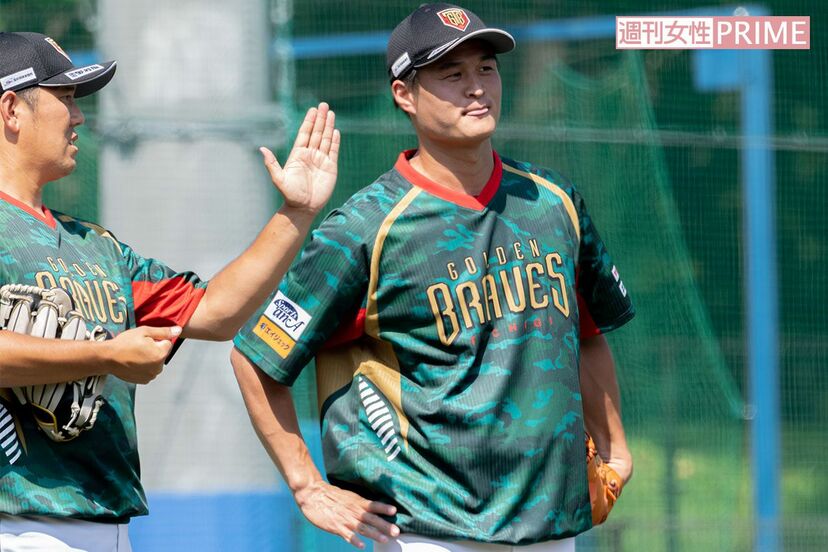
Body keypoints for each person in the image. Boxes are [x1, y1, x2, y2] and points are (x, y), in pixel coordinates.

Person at [231, 3, 634, 551]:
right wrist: (307, 485)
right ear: (405, 94)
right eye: (452, 74)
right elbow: (257, 358)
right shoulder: (366, 228)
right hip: (427, 531)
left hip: (551, 525)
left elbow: (587, 333)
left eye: (486, 68)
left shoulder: (552, 201)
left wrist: (615, 450)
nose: (477, 87)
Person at [0, 31, 340, 551]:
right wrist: (103, 354)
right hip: (16, 523)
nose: (79, 116)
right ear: (11, 110)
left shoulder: (96, 246)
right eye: (65, 97)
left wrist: (296, 213)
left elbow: (217, 312)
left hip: (108, 525)